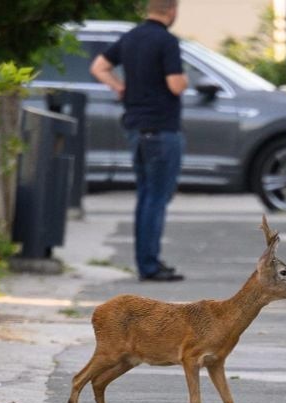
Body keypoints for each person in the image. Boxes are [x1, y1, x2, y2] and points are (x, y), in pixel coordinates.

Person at [90, 0, 188, 282]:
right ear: (171, 11)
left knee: (146, 195)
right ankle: (150, 265)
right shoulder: (166, 41)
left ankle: (146, 261)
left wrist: (120, 87)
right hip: (162, 128)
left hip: (135, 126)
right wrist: (186, 82)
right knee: (158, 197)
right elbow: (175, 84)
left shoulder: (130, 37)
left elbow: (98, 67)